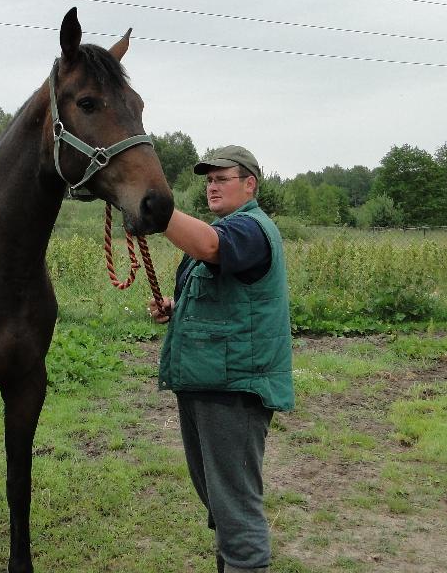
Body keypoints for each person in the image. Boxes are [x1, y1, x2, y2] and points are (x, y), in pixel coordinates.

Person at [149, 145, 294, 573]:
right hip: (208, 383)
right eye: (209, 180)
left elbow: (212, 247)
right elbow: (228, 296)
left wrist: (156, 208)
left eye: (221, 178)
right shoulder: (230, 229)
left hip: (233, 389)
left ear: (249, 184)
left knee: (236, 508)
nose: (212, 186)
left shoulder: (250, 230)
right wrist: (174, 308)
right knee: (220, 504)